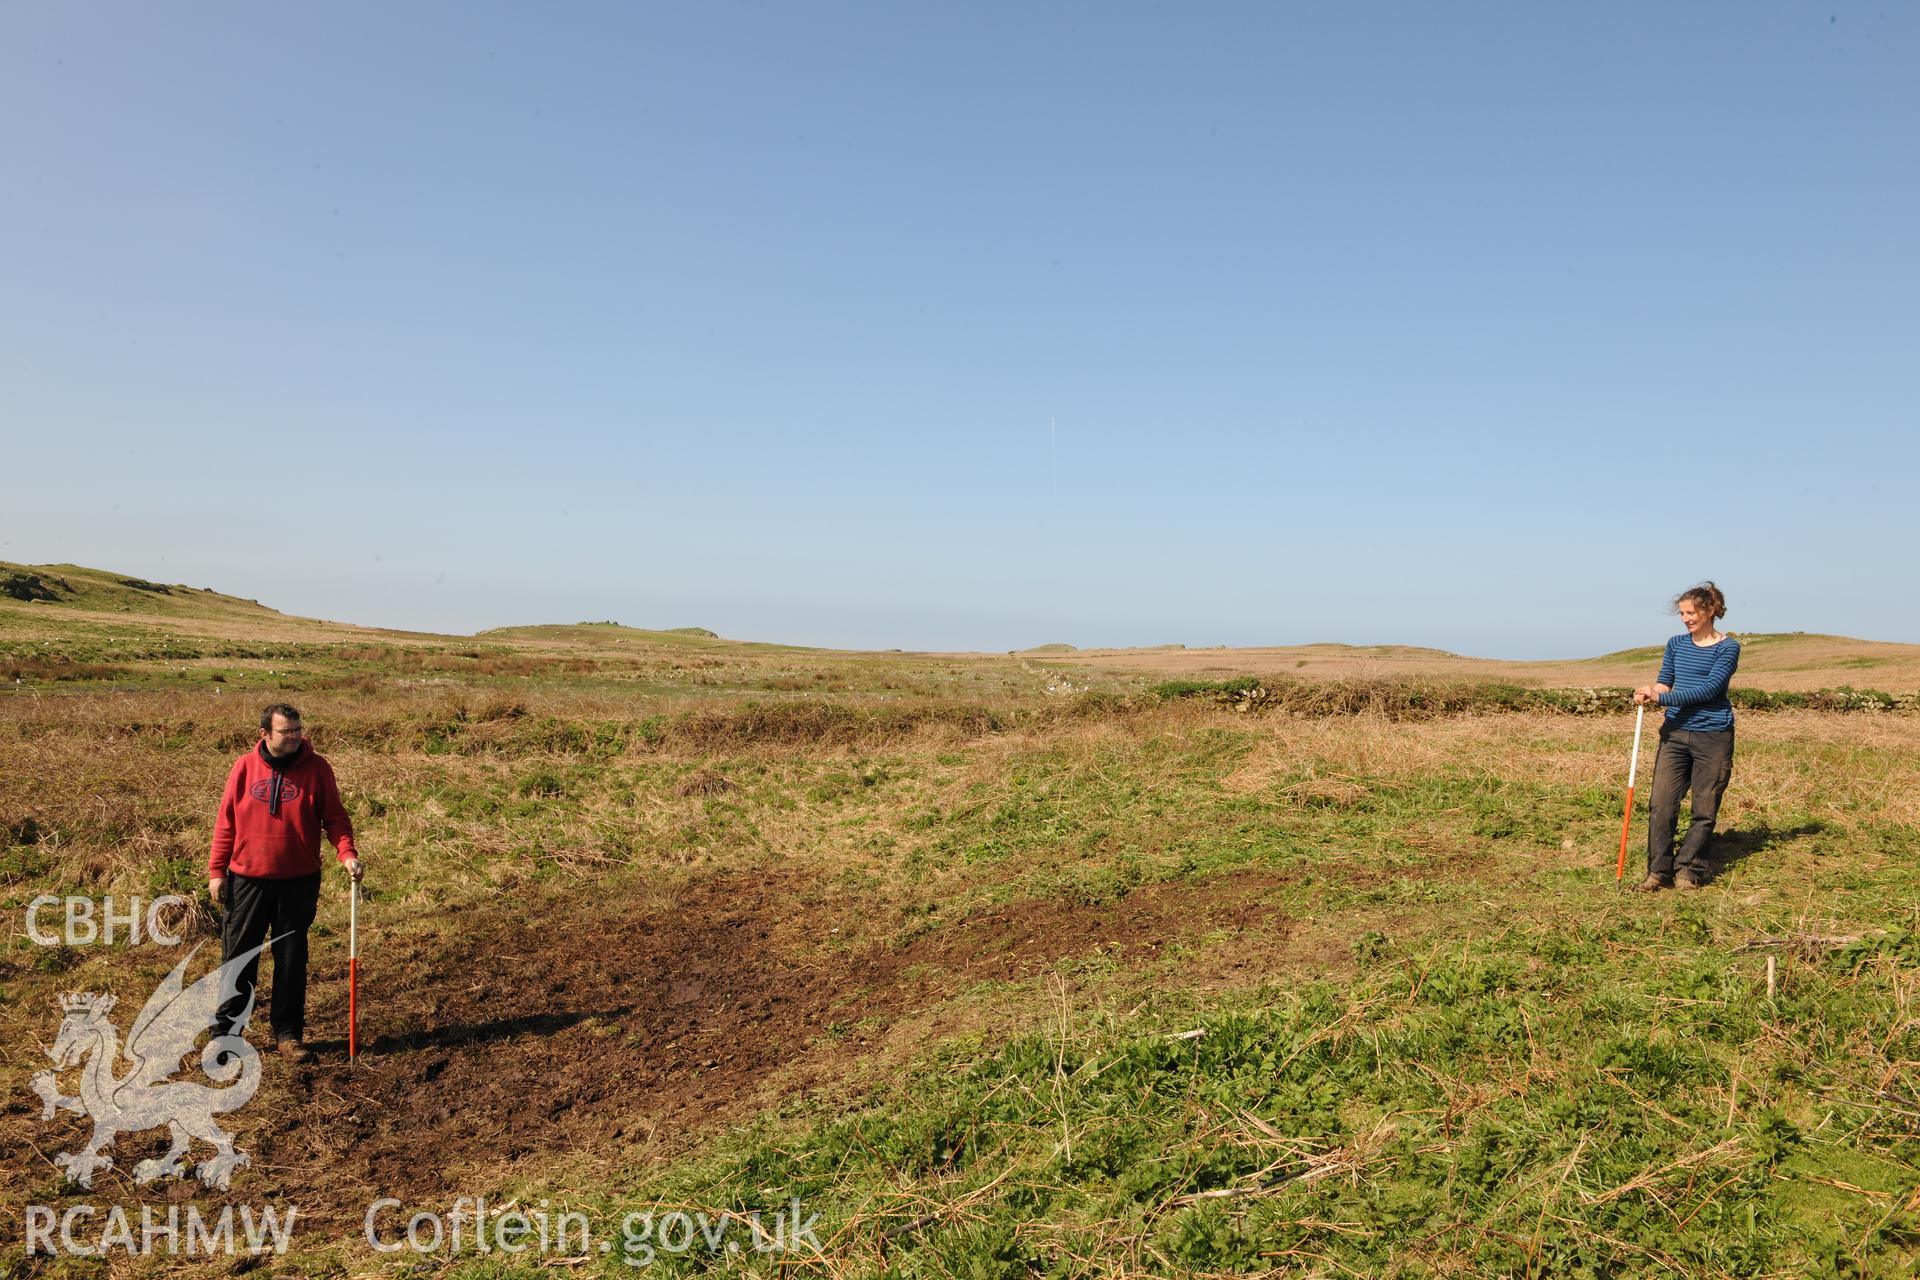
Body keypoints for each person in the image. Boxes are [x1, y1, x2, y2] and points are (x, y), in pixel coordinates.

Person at [209, 704, 364, 1062]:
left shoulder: (318, 768)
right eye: (286, 731)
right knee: (238, 958)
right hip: (247, 880)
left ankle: (288, 1035)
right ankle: (226, 1035)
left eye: (298, 730)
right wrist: (217, 871)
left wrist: (348, 854)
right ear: (265, 734)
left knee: (292, 960)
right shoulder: (243, 768)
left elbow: (335, 819)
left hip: (299, 881)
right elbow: (226, 822)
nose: (295, 736)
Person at [1630, 583, 1740, 892]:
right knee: (1661, 804)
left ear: (1709, 610)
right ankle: (1657, 872)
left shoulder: (1728, 647)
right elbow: (1665, 682)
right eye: (1682, 613)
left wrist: (1663, 699)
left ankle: (1688, 870)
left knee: (1704, 809)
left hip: (1714, 736)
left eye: (1690, 612)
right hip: (1675, 734)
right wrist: (1649, 692)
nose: (1685, 619)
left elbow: (1709, 691)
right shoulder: (1676, 644)